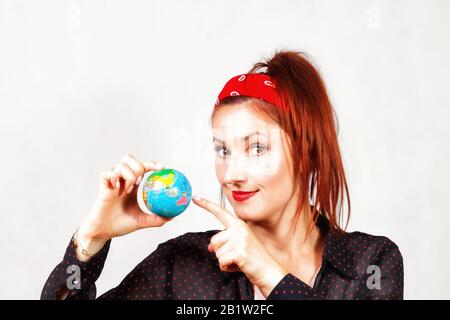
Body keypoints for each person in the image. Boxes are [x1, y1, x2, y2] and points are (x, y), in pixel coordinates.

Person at [41, 50, 403, 300]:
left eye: (257, 148)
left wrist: (268, 273)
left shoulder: (370, 263)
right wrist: (91, 241)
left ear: (306, 153)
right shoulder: (184, 264)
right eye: (222, 150)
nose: (231, 173)